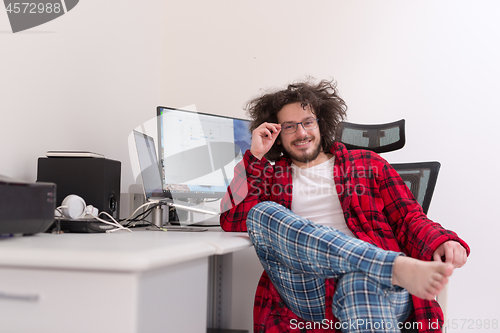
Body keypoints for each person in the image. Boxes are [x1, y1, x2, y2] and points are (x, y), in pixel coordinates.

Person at [220, 79, 469, 333]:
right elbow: (232, 218)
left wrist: (442, 240)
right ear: (277, 133)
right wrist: (255, 156)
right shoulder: (271, 177)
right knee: (260, 213)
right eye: (289, 127)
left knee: (359, 283)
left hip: (374, 286)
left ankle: (380, 268)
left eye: (307, 122)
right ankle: (389, 266)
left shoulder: (368, 163)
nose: (301, 133)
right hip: (306, 287)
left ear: (321, 123)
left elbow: (409, 218)